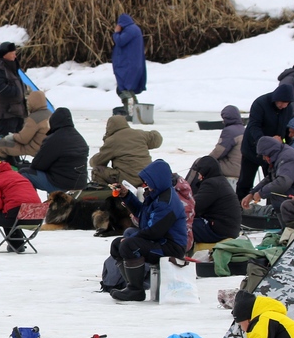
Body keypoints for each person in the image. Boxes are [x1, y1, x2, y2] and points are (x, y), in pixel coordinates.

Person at [107, 159, 187, 302]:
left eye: (148, 182)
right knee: (117, 245)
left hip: (171, 247)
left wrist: (132, 239)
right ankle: (132, 284)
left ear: (158, 180)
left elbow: (154, 231)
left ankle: (136, 290)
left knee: (128, 245)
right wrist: (126, 195)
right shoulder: (157, 196)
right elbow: (143, 215)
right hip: (160, 241)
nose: (145, 185)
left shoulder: (166, 202)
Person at [236, 85, 293, 200]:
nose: (283, 106)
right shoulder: (260, 103)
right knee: (245, 181)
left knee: (272, 182)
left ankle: (271, 209)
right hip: (252, 149)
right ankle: (239, 207)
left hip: (273, 153)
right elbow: (254, 126)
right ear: (276, 98)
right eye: (281, 102)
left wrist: (287, 146)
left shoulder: (288, 109)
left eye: (286, 103)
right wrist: (266, 142)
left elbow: (286, 129)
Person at [22, 107, 88, 193]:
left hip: (62, 185)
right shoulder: (79, 137)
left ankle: (32, 202)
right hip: (80, 184)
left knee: (24, 173)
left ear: (54, 121)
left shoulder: (54, 139)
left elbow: (38, 165)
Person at [89, 114, 163, 186]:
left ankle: (110, 195)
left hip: (128, 180)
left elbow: (97, 162)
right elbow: (157, 140)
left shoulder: (113, 140)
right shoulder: (140, 134)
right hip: (147, 177)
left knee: (97, 171)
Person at [186, 157, 242, 244]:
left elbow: (195, 206)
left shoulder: (211, 184)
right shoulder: (220, 181)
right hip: (227, 228)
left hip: (219, 231)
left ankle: (177, 253)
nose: (198, 177)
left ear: (205, 172)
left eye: (199, 173)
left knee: (180, 227)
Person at [241, 137, 294, 211]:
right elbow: (270, 178)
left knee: (275, 193)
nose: (264, 158)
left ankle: (284, 219)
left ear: (270, 152)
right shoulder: (280, 156)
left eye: (264, 155)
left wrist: (261, 193)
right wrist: (252, 193)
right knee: (273, 192)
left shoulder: (287, 157)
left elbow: (283, 182)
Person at [0, 90, 50, 164]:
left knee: (1, 144)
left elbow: (23, 139)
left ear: (33, 102)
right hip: (46, 147)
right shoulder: (50, 114)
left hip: (33, 149)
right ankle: (15, 163)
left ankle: (3, 169)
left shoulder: (34, 118)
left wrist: (12, 136)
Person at [0, 42, 27, 139]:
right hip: (6, 114)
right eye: (12, 53)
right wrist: (17, 91)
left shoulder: (12, 67)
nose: (15, 55)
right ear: (5, 54)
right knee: (7, 144)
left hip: (16, 112)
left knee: (15, 143)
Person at [112, 14, 147, 110]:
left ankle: (132, 111)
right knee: (127, 89)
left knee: (124, 90)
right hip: (133, 64)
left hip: (127, 65)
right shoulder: (135, 29)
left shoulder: (129, 30)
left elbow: (120, 41)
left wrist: (116, 33)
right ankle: (133, 110)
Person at [209, 105, 244, 180]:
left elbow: (219, 152)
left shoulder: (229, 131)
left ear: (227, 118)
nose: (223, 121)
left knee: (200, 164)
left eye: (224, 118)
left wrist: (205, 160)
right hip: (244, 169)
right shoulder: (243, 129)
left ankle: (187, 188)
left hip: (232, 169)